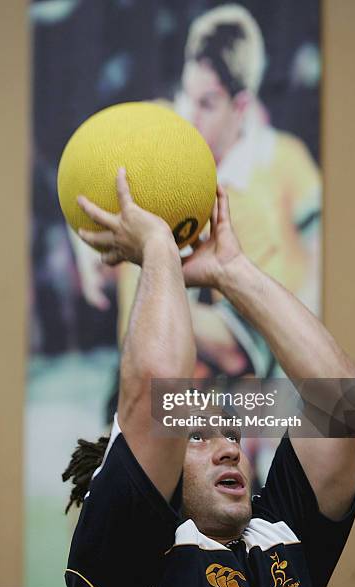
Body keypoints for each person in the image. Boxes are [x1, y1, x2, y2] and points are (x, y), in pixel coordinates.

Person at [63, 169, 355, 587]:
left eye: (232, 435)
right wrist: (158, 247)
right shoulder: (125, 545)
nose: (229, 449)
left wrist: (233, 272)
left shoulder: (278, 533)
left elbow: (347, 405)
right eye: (197, 436)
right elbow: (154, 387)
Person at [70, 4, 321, 379]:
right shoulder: (155, 129)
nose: (188, 114)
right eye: (185, 94)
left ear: (240, 107)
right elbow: (82, 170)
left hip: (199, 414)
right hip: (129, 389)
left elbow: (238, 349)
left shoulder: (255, 209)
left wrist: (150, 259)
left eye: (206, 103)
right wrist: (86, 243)